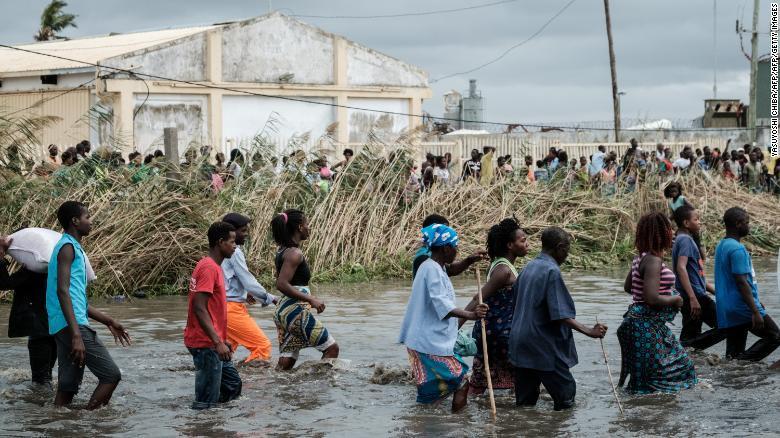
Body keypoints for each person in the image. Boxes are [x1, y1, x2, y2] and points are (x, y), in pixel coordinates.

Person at [508, 227, 606, 411]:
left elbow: (515, 301)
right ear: (560, 248)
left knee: (525, 403)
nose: (567, 255)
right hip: (542, 345)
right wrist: (590, 331)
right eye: (567, 250)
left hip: (520, 343)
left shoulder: (529, 266)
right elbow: (561, 314)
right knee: (566, 396)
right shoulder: (551, 271)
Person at [46, 201, 130, 409]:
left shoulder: (72, 247)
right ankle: (89, 422)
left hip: (63, 324)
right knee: (111, 375)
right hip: (72, 326)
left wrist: (108, 320)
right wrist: (76, 335)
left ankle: (60, 424)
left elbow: (77, 300)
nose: (90, 222)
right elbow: (62, 291)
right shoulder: (67, 248)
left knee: (67, 387)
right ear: (75, 221)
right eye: (87, 217)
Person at [399, 224, 489, 412]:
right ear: (445, 248)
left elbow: (453, 269)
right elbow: (443, 305)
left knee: (431, 397)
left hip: (426, 341)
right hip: (427, 342)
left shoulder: (434, 266)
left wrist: (470, 260)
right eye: (455, 246)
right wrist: (471, 314)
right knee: (461, 381)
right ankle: (458, 423)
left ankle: (424, 424)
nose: (457, 250)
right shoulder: (431, 269)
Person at [617, 212, 697, 394]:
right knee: (680, 367)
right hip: (644, 325)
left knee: (645, 377)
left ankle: (644, 413)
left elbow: (629, 287)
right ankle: (649, 417)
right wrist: (676, 299)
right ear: (661, 233)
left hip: (639, 323)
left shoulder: (641, 257)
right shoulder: (653, 260)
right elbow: (651, 298)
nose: (673, 232)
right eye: (669, 229)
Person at [461, 218, 528, 395]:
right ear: (509, 245)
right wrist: (454, 325)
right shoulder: (503, 271)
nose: (527, 244)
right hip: (498, 335)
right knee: (523, 378)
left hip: (497, 333)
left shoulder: (502, 265)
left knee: (481, 382)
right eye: (523, 241)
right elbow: (478, 299)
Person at [184, 221, 242, 409]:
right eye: (232, 242)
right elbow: (199, 307)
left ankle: (218, 428)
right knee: (205, 402)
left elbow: (209, 307)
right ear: (220, 242)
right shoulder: (209, 268)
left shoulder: (213, 266)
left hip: (213, 342)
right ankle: (203, 428)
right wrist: (217, 341)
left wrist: (221, 340)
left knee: (232, 385)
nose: (235, 246)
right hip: (206, 343)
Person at [272, 209, 339, 370]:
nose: (309, 228)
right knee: (332, 348)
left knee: (287, 361)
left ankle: (280, 389)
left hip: (283, 311)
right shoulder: (295, 253)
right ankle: (317, 389)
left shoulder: (283, 250)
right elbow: (282, 283)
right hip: (295, 312)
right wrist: (311, 299)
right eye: (307, 224)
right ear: (300, 227)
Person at [714, 207, 780, 361]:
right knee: (775, 335)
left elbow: (738, 281)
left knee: (733, 353)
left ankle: (733, 374)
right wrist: (755, 310)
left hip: (728, 307)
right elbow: (741, 282)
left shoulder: (722, 245)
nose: (748, 226)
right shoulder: (738, 249)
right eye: (747, 222)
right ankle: (742, 365)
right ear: (738, 224)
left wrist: (756, 300)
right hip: (742, 306)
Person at [220, 213, 277, 366]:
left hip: (222, 308)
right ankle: (250, 385)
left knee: (225, 352)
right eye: (243, 231)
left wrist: (245, 295)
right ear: (232, 232)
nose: (246, 235)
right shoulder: (235, 252)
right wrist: (271, 298)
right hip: (231, 310)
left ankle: (226, 381)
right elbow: (248, 281)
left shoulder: (221, 251)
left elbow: (228, 282)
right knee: (262, 346)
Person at [0, 235, 56, 387]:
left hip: (39, 332)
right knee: (47, 377)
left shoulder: (31, 272)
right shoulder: (54, 269)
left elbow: (3, 283)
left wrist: (1, 253)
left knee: (40, 381)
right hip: (56, 329)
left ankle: (41, 409)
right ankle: (52, 408)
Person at [672, 206, 725, 350]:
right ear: (686, 223)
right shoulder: (685, 240)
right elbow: (680, 268)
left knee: (691, 333)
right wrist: (693, 298)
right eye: (696, 219)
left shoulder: (684, 239)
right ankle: (684, 348)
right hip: (695, 297)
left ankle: (686, 356)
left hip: (693, 295)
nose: (699, 222)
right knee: (725, 324)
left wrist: (718, 294)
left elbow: (697, 277)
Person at [411, 214, 485, 279]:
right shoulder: (423, 258)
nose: (448, 232)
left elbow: (450, 270)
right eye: (445, 231)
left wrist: (469, 260)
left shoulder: (433, 256)